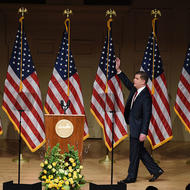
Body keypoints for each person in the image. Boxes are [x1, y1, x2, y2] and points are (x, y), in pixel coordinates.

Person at [116, 57, 164, 183]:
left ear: (143, 82)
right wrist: (118, 70)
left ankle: (131, 177)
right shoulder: (135, 89)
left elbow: (147, 115)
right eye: (134, 78)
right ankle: (156, 170)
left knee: (134, 154)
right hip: (133, 125)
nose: (134, 80)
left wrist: (144, 132)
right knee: (140, 151)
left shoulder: (146, 96)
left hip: (138, 129)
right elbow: (126, 82)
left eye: (136, 79)